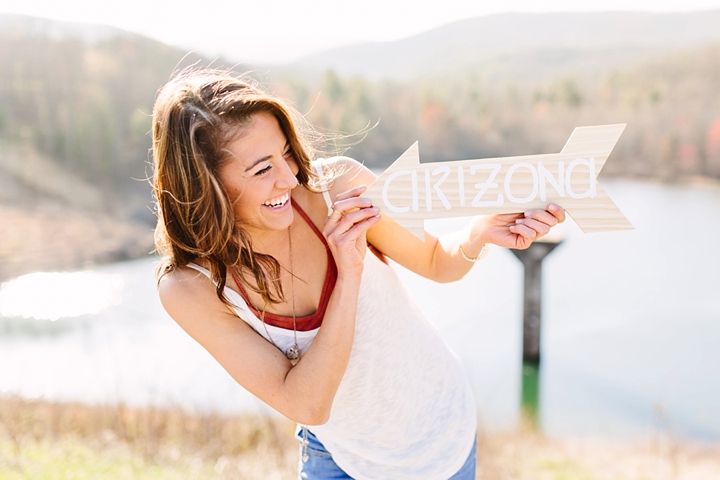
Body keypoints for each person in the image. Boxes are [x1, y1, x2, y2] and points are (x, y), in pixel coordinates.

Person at [152, 68, 565, 479]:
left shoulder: (338, 189)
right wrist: (349, 275)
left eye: (286, 153)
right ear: (203, 186)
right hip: (340, 460)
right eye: (262, 170)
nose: (290, 177)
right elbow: (307, 406)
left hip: (440, 438)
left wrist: (478, 235)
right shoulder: (190, 288)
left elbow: (438, 262)